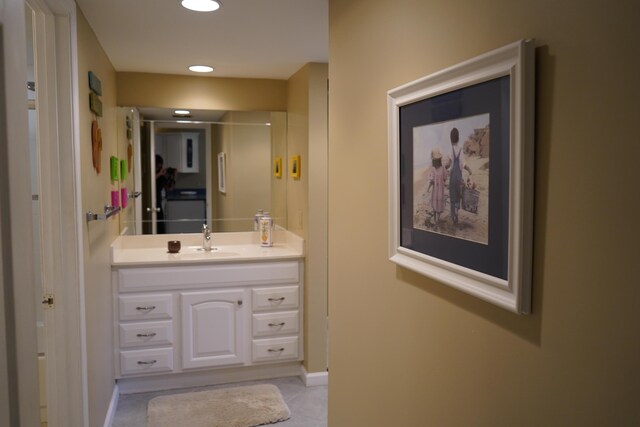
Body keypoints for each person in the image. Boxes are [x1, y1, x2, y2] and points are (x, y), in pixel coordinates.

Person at [447, 127, 471, 225]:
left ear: (450, 139)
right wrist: (469, 170)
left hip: (453, 177)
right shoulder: (461, 150)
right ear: (458, 138)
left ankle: (454, 217)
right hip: (459, 177)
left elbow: (449, 164)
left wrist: (445, 167)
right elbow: (463, 164)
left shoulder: (450, 149)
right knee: (458, 196)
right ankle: (456, 212)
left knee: (452, 196)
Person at [155, 155, 176, 234]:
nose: (159, 168)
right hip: (152, 201)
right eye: (158, 166)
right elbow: (150, 181)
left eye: (160, 166)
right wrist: (159, 173)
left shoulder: (161, 176)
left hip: (158, 201)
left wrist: (173, 177)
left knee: (160, 223)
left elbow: (169, 188)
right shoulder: (151, 173)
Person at [427, 147, 445, 228]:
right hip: (440, 190)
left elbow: (431, 181)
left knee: (434, 205)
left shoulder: (433, 169)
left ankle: (435, 220)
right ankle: (437, 220)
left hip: (435, 191)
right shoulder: (443, 168)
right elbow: (445, 178)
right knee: (439, 204)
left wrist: (428, 189)